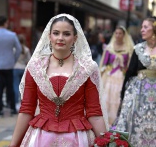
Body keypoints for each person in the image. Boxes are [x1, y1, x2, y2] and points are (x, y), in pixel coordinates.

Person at [9, 14, 108, 147]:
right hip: (41, 137)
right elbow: (26, 109)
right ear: (49, 36)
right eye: (56, 33)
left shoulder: (88, 68)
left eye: (66, 34)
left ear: (75, 38)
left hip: (77, 138)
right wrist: (13, 144)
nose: (60, 38)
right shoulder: (35, 67)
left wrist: (106, 142)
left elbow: (94, 113)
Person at [115, 17, 156, 146]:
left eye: (146, 27)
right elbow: (130, 72)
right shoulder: (138, 48)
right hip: (138, 93)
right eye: (142, 27)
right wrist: (123, 94)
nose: (142, 30)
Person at [0, 15, 22, 116]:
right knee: (9, 86)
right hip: (9, 64)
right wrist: (13, 59)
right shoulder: (12, 35)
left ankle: (0, 109)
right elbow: (19, 49)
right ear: (6, 23)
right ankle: (12, 108)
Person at [99, 26, 134, 126]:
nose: (118, 35)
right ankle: (104, 121)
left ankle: (115, 122)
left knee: (118, 98)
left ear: (124, 35)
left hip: (121, 76)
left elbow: (129, 65)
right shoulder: (109, 48)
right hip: (109, 76)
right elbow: (104, 63)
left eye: (120, 33)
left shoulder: (128, 48)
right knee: (106, 97)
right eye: (116, 33)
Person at [13, 34, 31, 110]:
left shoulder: (14, 49)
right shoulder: (26, 49)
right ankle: (22, 102)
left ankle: (16, 103)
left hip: (15, 68)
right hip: (23, 68)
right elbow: (28, 60)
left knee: (15, 85)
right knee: (23, 87)